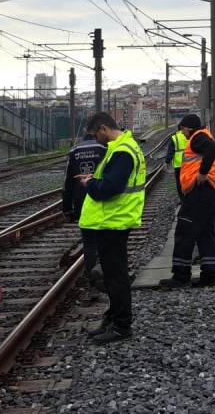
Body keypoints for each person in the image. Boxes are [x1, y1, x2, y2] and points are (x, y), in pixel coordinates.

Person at [75, 112, 146, 344]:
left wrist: (89, 183)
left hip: (114, 220)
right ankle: (113, 318)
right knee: (114, 274)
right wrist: (94, 179)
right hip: (112, 220)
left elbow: (109, 188)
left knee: (116, 277)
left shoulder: (122, 151)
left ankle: (121, 326)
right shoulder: (122, 147)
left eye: (96, 135)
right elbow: (112, 181)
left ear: (104, 128)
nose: (96, 140)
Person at [159, 114, 215, 289]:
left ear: (189, 127)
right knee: (205, 234)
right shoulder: (205, 135)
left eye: (183, 128)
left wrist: (202, 173)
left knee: (184, 232)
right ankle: (209, 276)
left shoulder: (197, 137)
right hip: (211, 193)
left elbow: (212, 148)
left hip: (199, 193)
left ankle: (181, 276)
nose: (182, 132)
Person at [63, 124, 106, 290]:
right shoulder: (104, 148)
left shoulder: (74, 151)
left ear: (84, 131)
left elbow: (67, 182)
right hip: (102, 200)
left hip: (82, 203)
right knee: (104, 241)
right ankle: (104, 275)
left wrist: (67, 209)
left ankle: (93, 284)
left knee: (88, 244)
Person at [164, 125, 189, 191]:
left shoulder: (175, 138)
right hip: (189, 163)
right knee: (189, 181)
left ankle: (182, 199)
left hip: (178, 164)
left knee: (179, 182)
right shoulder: (190, 135)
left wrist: (167, 162)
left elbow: (170, 151)